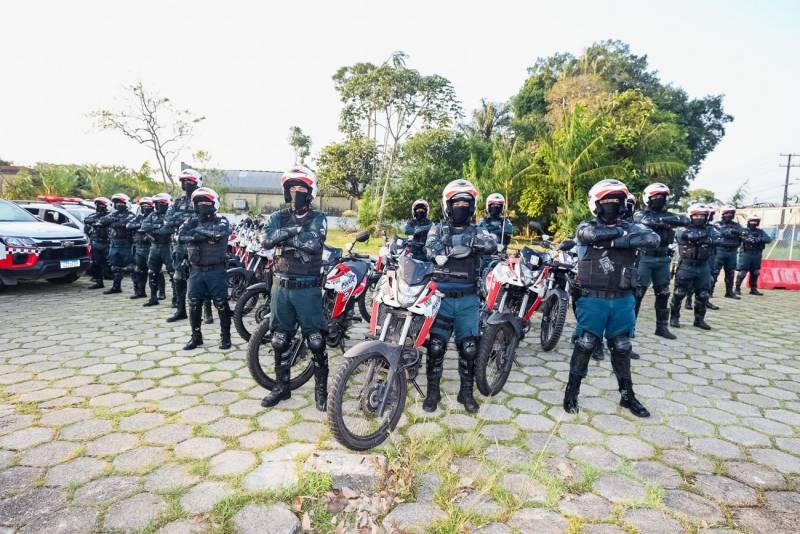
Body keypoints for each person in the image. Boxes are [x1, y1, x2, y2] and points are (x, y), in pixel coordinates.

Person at [563, 179, 659, 418]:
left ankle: (628, 397)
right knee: (585, 344)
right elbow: (590, 235)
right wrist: (623, 236)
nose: (612, 205)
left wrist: (612, 237)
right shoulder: (586, 225)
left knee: (622, 347)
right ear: (596, 204)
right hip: (592, 298)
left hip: (623, 298)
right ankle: (571, 393)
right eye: (606, 201)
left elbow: (652, 240)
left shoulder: (636, 226)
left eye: (616, 201)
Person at [260, 166, 330, 411]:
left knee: (316, 341)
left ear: (310, 192)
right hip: (281, 287)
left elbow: (313, 244)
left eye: (301, 189)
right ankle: (282, 387)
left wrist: (284, 238)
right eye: (291, 189)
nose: (295, 193)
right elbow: (266, 240)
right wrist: (294, 232)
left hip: (307, 289)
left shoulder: (319, 217)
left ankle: (321, 391)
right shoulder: (277, 216)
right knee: (279, 340)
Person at [425, 179, 497, 413]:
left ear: (473, 205)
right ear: (448, 204)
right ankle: (432, 392)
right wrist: (465, 245)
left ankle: (465, 392)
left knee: (469, 348)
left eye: (466, 203)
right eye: (457, 202)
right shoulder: (437, 228)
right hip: (440, 298)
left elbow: (490, 245)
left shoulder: (480, 230)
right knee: (436, 347)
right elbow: (431, 249)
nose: (461, 206)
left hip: (468, 298)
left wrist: (455, 247)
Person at [632, 183, 689, 340]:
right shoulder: (639, 214)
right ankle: (629, 329)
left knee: (663, 293)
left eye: (663, 197)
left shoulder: (669, 215)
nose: (660, 199)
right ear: (648, 198)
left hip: (663, 257)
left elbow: (685, 220)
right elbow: (647, 221)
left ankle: (661, 327)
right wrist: (668, 222)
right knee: (637, 293)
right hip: (645, 257)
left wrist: (665, 220)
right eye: (656, 197)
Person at [178, 188, 233, 350]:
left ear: (213, 204)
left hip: (216, 270)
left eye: (206, 203)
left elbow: (220, 233)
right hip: (196, 270)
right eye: (199, 203)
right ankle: (196, 337)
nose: (203, 206)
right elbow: (180, 236)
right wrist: (204, 235)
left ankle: (225, 336)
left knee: (221, 304)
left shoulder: (222, 220)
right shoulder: (190, 221)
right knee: (194, 304)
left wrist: (196, 234)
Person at [165, 169, 213, 324]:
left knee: (202, 278)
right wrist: (189, 219)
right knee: (178, 277)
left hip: (198, 246)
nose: (186, 184)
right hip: (179, 245)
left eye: (189, 181)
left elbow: (205, 218)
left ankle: (207, 311)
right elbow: (168, 219)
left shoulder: (203, 200)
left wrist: (183, 220)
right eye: (184, 181)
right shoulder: (177, 202)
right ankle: (181, 310)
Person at [669, 204, 715, 330]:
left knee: (704, 294)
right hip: (686, 265)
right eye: (696, 215)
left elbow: (718, 239)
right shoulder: (682, 229)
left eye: (702, 216)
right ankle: (674, 318)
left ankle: (699, 320)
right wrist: (704, 238)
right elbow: (688, 237)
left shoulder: (711, 229)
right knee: (679, 293)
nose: (699, 218)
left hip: (703, 266)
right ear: (691, 216)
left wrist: (703, 238)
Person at [97, 193, 136, 295]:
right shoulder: (113, 214)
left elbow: (125, 224)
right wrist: (115, 221)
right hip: (114, 243)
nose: (118, 205)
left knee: (132, 267)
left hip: (126, 244)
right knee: (115, 267)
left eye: (121, 203)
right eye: (116, 203)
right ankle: (116, 287)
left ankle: (138, 289)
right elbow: (102, 221)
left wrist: (113, 222)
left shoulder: (131, 215)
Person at [141, 193, 173, 306]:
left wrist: (154, 228)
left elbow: (167, 230)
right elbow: (144, 226)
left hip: (167, 246)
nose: (159, 206)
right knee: (152, 272)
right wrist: (159, 226)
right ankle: (153, 298)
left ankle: (176, 300)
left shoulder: (170, 215)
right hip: (154, 246)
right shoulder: (152, 215)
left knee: (172, 273)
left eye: (162, 203)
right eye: (157, 203)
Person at [735, 213, 772, 296]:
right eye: (752, 221)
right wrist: (748, 239)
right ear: (748, 221)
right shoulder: (744, 230)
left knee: (755, 272)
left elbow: (768, 239)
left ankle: (753, 289)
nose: (753, 223)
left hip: (757, 253)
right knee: (742, 272)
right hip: (746, 253)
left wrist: (759, 239)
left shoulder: (760, 231)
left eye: (755, 221)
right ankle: (737, 289)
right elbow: (741, 237)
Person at [712, 206, 744, 299]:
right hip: (720, 250)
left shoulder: (737, 225)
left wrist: (732, 232)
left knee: (730, 272)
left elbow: (742, 232)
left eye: (731, 213)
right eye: (727, 213)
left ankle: (729, 292)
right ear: (722, 214)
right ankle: (710, 291)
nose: (729, 215)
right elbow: (721, 232)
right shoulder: (717, 224)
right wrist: (731, 232)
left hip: (732, 251)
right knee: (715, 272)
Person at [127, 197, 154, 299]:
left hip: (150, 247)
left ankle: (158, 294)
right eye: (142, 206)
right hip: (139, 247)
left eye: (147, 206)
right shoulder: (139, 217)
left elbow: (155, 227)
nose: (144, 208)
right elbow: (129, 225)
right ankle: (140, 291)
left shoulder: (155, 217)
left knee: (153, 271)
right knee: (137, 270)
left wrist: (143, 227)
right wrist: (142, 226)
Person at [84, 197, 112, 289]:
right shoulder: (92, 216)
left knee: (112, 263)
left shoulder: (111, 215)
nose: (100, 207)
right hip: (96, 242)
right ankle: (99, 282)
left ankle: (116, 285)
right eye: (98, 205)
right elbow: (87, 223)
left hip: (108, 242)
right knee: (96, 263)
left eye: (102, 205)